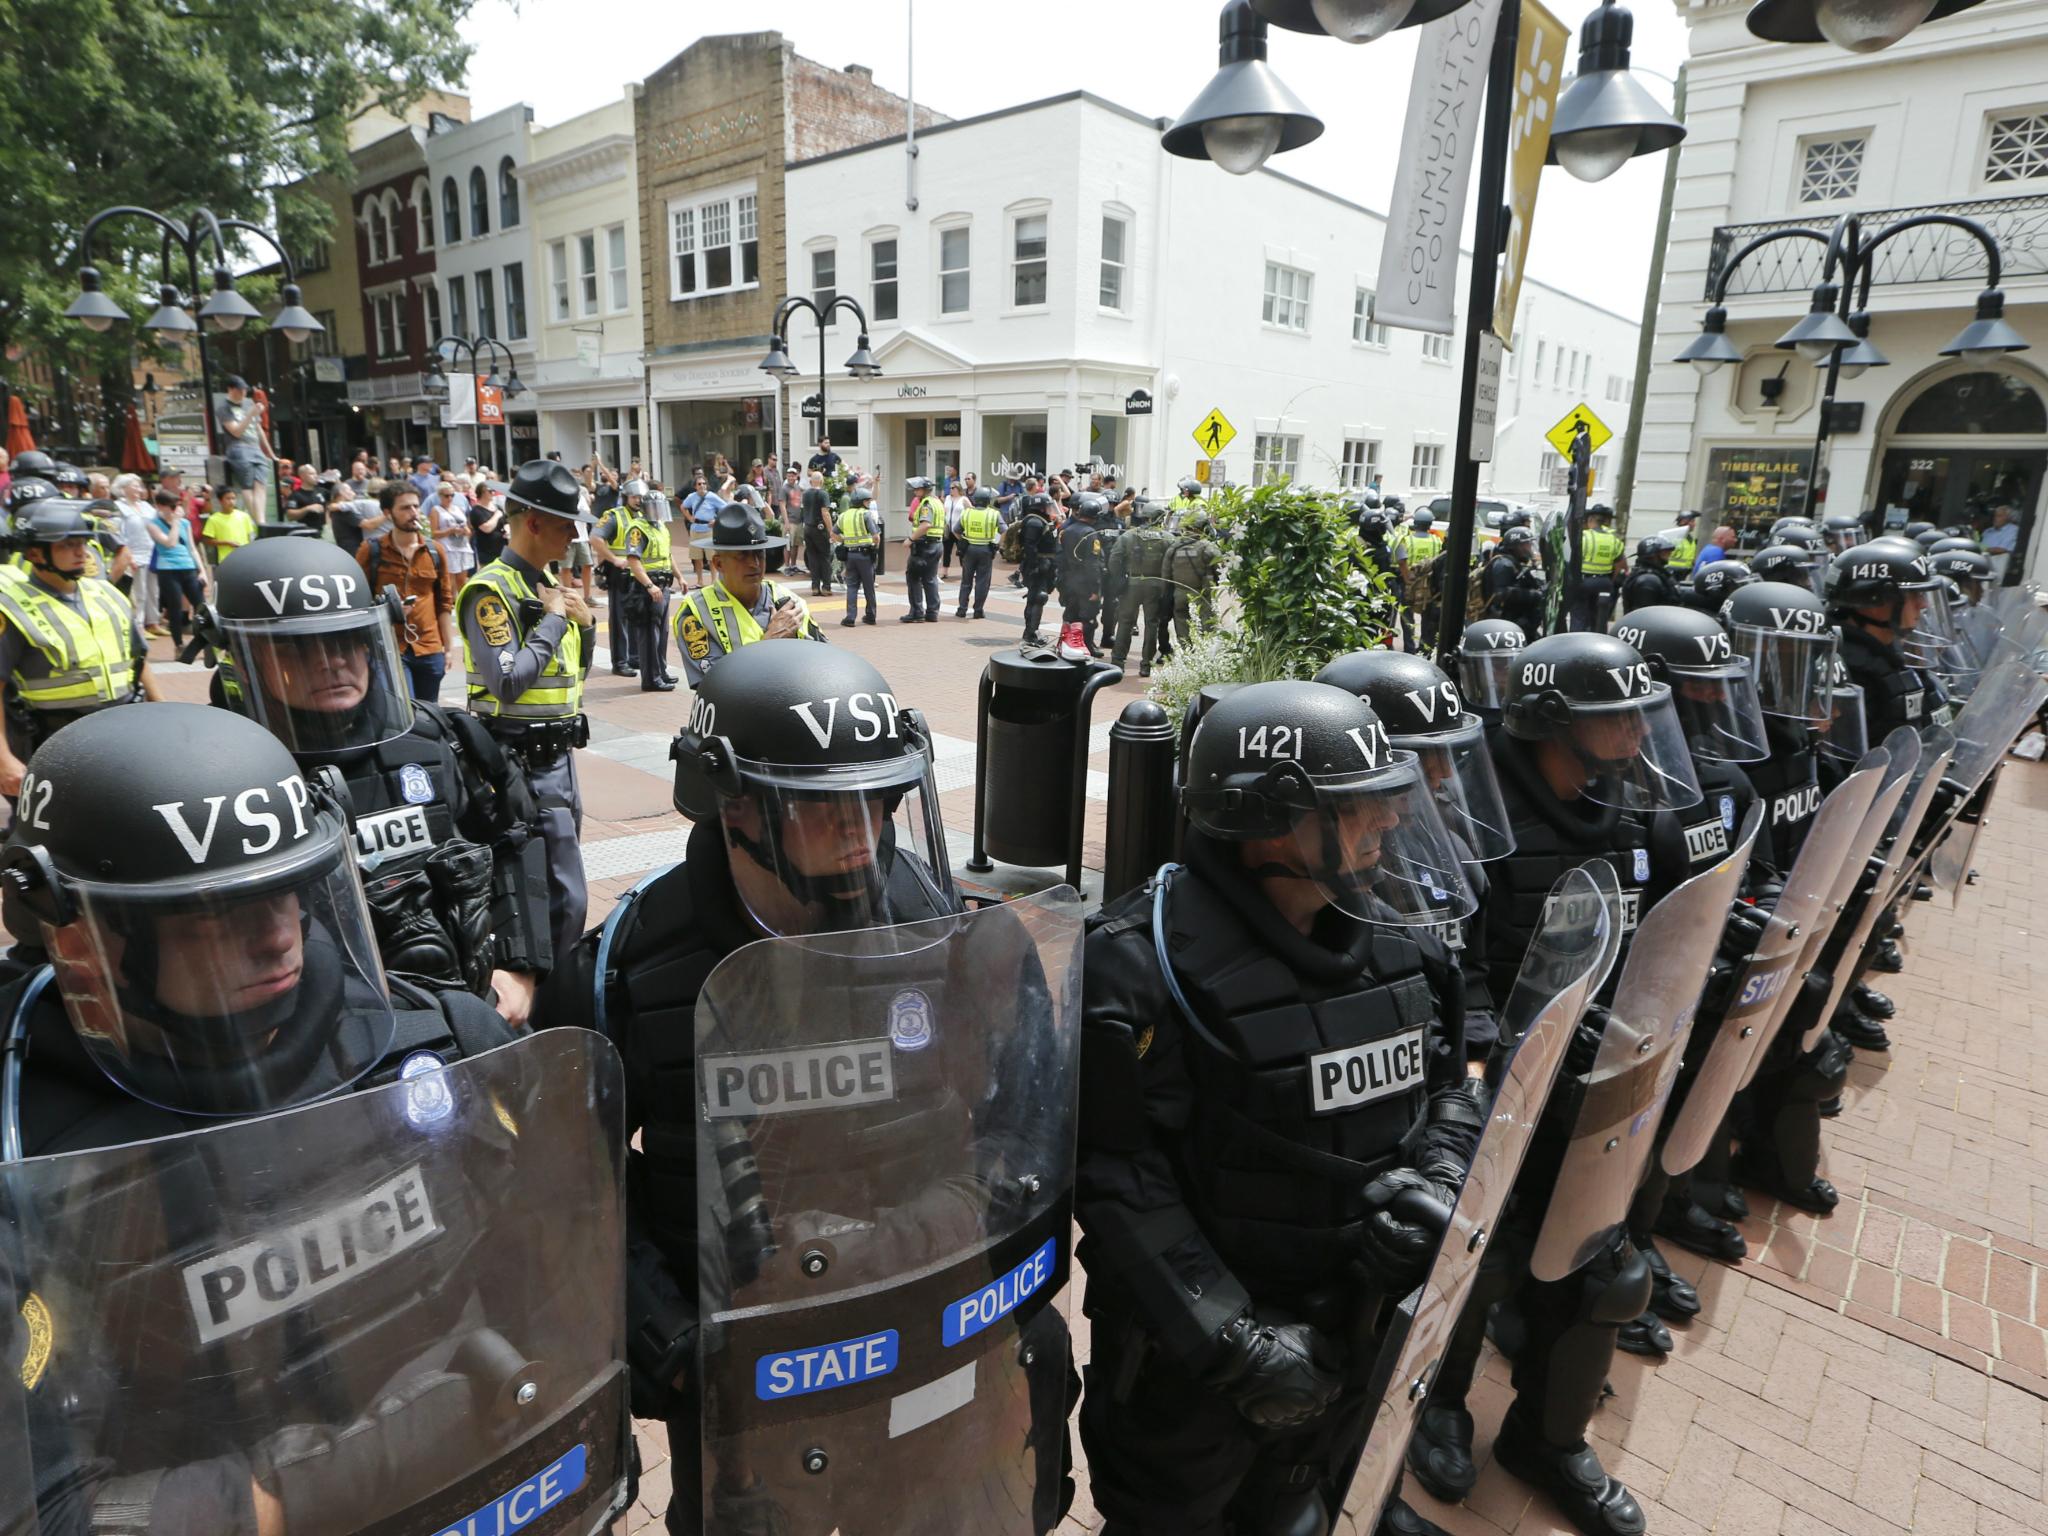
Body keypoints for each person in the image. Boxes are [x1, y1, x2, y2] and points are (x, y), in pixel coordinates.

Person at [0, 703, 636, 1532]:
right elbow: (43, 1508)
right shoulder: (23, 1146)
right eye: (217, 912)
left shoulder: (440, 1041)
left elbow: (564, 1284)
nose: (279, 937)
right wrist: (382, 1458)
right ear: (87, 936)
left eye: (290, 892)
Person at [542, 641, 1073, 1534]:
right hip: (746, 1385)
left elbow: (1026, 1124)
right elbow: (570, 1196)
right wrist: (669, 1342)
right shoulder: (624, 971)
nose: (863, 831)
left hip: (930, 1344)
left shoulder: (950, 934)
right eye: (827, 808)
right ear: (733, 805)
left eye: (880, 798)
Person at [1076, 679, 1480, 1536]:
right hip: (1196, 1374)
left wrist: (1441, 1173)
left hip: (1352, 1332)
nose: (1391, 820)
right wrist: (1235, 1344)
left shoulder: (1402, 938)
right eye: (1358, 804)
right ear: (1266, 820)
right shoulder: (1139, 968)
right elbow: (1115, 1178)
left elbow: (1452, 1086)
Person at [1411, 629, 1702, 1536]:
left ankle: (1548, 1434)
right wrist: (1500, 1058)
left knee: (1599, 1268)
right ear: (1547, 722)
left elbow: (1634, 933)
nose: (1636, 732)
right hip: (1502, 1078)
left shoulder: (1622, 807)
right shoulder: (1475, 817)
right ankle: (1440, 1405)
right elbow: (1461, 966)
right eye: (1613, 715)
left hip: (1590, 1075)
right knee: (1484, 1259)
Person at [204, 536, 551, 1022]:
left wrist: (520, 967)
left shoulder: (441, 740)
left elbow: (515, 841)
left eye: (346, 640)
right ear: (242, 657)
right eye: (297, 648)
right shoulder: (213, 777)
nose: (330, 661)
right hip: (316, 1036)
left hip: (468, 1013)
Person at [457, 459, 596, 967]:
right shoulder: (491, 591)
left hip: (560, 760)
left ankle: (551, 994)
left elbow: (571, 676)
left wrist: (586, 625)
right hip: (519, 763)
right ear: (533, 522)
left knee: (559, 892)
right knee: (558, 899)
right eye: (565, 526)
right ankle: (545, 1006)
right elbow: (508, 681)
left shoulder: (548, 585)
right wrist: (557, 622)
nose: (573, 538)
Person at [0, 498, 155, 794]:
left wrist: (163, 711)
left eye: (83, 543)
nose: (81, 552)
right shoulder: (11, 608)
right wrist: (4, 759)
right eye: (67, 545)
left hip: (124, 729)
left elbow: (138, 658)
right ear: (35, 552)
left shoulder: (107, 593)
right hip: (57, 739)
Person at [672, 501, 823, 688]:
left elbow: (824, 663)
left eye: (759, 554)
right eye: (742, 555)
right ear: (718, 563)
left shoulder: (788, 600)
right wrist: (771, 643)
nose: (755, 564)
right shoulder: (697, 612)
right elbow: (715, 687)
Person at [356, 479, 458, 701]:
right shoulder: (372, 550)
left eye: (415, 506)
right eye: (405, 508)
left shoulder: (434, 551)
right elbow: (359, 602)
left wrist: (447, 649)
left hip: (430, 648)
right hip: (390, 647)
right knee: (405, 710)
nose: (413, 513)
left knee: (430, 714)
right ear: (388, 513)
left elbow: (444, 602)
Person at [616, 478, 679, 691]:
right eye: (656, 507)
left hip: (664, 584)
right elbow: (633, 560)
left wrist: (680, 576)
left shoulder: (660, 527)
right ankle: (651, 679)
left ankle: (661, 672)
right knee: (649, 635)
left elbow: (668, 555)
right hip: (648, 588)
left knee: (662, 633)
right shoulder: (637, 529)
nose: (660, 512)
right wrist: (650, 586)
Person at [1110, 497, 1175, 676]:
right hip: (1156, 586)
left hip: (1131, 584)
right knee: (1151, 624)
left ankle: (1118, 661)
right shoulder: (1168, 538)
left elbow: (1114, 559)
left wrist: (1120, 578)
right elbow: (1172, 564)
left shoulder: (1128, 536)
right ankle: (1146, 664)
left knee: (1125, 622)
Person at [217, 375, 276, 520]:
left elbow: (259, 429)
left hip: (255, 447)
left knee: (261, 484)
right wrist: (250, 414)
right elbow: (236, 432)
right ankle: (259, 522)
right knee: (247, 486)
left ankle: (261, 520)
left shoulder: (248, 404)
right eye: (239, 390)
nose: (243, 393)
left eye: (244, 390)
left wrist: (270, 453)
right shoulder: (224, 408)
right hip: (239, 447)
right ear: (230, 389)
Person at [1057, 493, 1110, 659]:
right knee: (1088, 617)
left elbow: (1059, 557)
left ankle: (1065, 644)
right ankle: (1086, 645)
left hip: (1069, 579)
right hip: (1086, 583)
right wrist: (1095, 589)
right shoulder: (1090, 534)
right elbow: (1092, 564)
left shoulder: (1066, 530)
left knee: (1070, 614)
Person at [108, 472, 159, 638]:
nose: (139, 488)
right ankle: (138, 625)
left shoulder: (146, 506)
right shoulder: (118, 507)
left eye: (139, 485)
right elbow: (117, 533)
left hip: (152, 552)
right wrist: (126, 556)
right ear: (123, 489)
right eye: (134, 485)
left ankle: (153, 622)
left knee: (153, 590)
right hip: (134, 554)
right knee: (139, 592)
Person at [1165, 508, 1223, 646]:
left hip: (1179, 594)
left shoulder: (1174, 547)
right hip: (1202, 595)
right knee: (1206, 628)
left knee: (1182, 626)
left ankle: (1186, 655)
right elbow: (1220, 569)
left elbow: (1166, 574)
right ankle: (1203, 657)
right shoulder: (1208, 547)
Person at [1570, 504, 1625, 633]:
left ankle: (1575, 644)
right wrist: (1609, 580)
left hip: (1583, 581)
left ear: (1590, 520)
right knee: (1600, 618)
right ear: (1605, 522)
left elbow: (1573, 560)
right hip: (1604, 582)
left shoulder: (1584, 537)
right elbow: (1619, 565)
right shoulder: (1614, 540)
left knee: (1579, 616)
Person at [834, 482, 881, 627]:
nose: (869, 503)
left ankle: (850, 617)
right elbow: (876, 536)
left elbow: (833, 534)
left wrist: (846, 541)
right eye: (867, 501)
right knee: (868, 587)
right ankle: (871, 616)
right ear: (862, 502)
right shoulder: (865, 514)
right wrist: (874, 547)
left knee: (852, 586)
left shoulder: (843, 516)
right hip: (865, 555)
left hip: (850, 556)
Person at [1484, 526, 1544, 641]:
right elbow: (1501, 593)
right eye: (1527, 544)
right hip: (1508, 625)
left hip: (1521, 622)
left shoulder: (1515, 563)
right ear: (1516, 546)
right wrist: (1533, 594)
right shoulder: (1503, 564)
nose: (1530, 548)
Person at [951, 484, 1002, 618]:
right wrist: (998, 543)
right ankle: (978, 610)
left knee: (966, 581)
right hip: (986, 550)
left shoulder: (967, 512)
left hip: (969, 550)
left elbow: (955, 531)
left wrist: (963, 540)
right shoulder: (993, 514)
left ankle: (962, 609)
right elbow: (1005, 531)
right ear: (987, 501)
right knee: (982, 581)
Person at [1017, 490, 1061, 645]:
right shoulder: (1034, 522)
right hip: (1038, 565)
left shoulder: (1041, 520)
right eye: (1047, 506)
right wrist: (1036, 564)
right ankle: (1031, 633)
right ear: (1041, 507)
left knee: (1035, 598)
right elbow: (1029, 546)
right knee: (1038, 597)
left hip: (1046, 564)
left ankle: (1029, 631)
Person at [901, 474, 945, 623]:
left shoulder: (926, 504)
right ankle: (932, 612)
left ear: (924, 489)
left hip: (924, 546)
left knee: (913, 578)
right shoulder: (937, 501)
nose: (914, 492)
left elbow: (926, 524)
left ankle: (916, 612)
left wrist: (910, 539)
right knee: (930, 579)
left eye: (917, 489)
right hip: (936, 544)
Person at [1620, 534, 1680, 613]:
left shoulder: (1658, 574)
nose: (1669, 554)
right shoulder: (1648, 581)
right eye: (1665, 552)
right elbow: (1644, 615)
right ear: (1653, 554)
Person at [199, 486, 256, 566]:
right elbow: (207, 540)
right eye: (228, 499)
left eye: (233, 498)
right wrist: (227, 542)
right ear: (220, 501)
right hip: (226, 560)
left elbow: (251, 537)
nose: (231, 501)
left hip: (245, 558)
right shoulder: (213, 519)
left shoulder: (244, 516)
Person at [800, 469, 835, 596]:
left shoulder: (805, 494)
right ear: (821, 480)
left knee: (812, 557)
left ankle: (815, 586)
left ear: (811, 481)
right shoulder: (823, 494)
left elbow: (803, 510)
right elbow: (825, 513)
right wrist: (831, 530)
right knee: (825, 557)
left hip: (808, 527)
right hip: (819, 528)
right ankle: (826, 587)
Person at [1982, 501, 2020, 582]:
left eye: (1999, 516)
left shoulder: (2012, 530)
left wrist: (1984, 550)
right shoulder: (1988, 531)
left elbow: (2003, 549)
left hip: (1996, 570)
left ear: (2007, 518)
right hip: (1980, 567)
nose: (1995, 518)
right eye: (1995, 516)